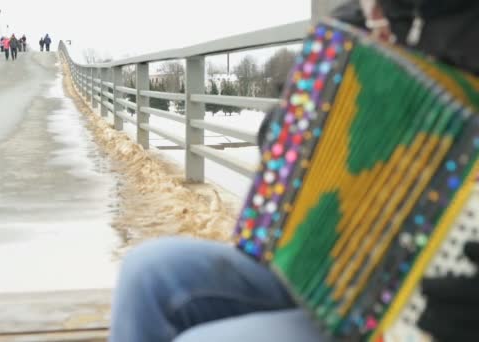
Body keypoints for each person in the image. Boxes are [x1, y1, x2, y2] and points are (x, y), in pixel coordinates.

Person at [109, 1, 479, 342]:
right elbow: (288, 136)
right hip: (321, 263)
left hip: (424, 309)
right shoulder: (360, 21)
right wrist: (288, 128)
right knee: (148, 272)